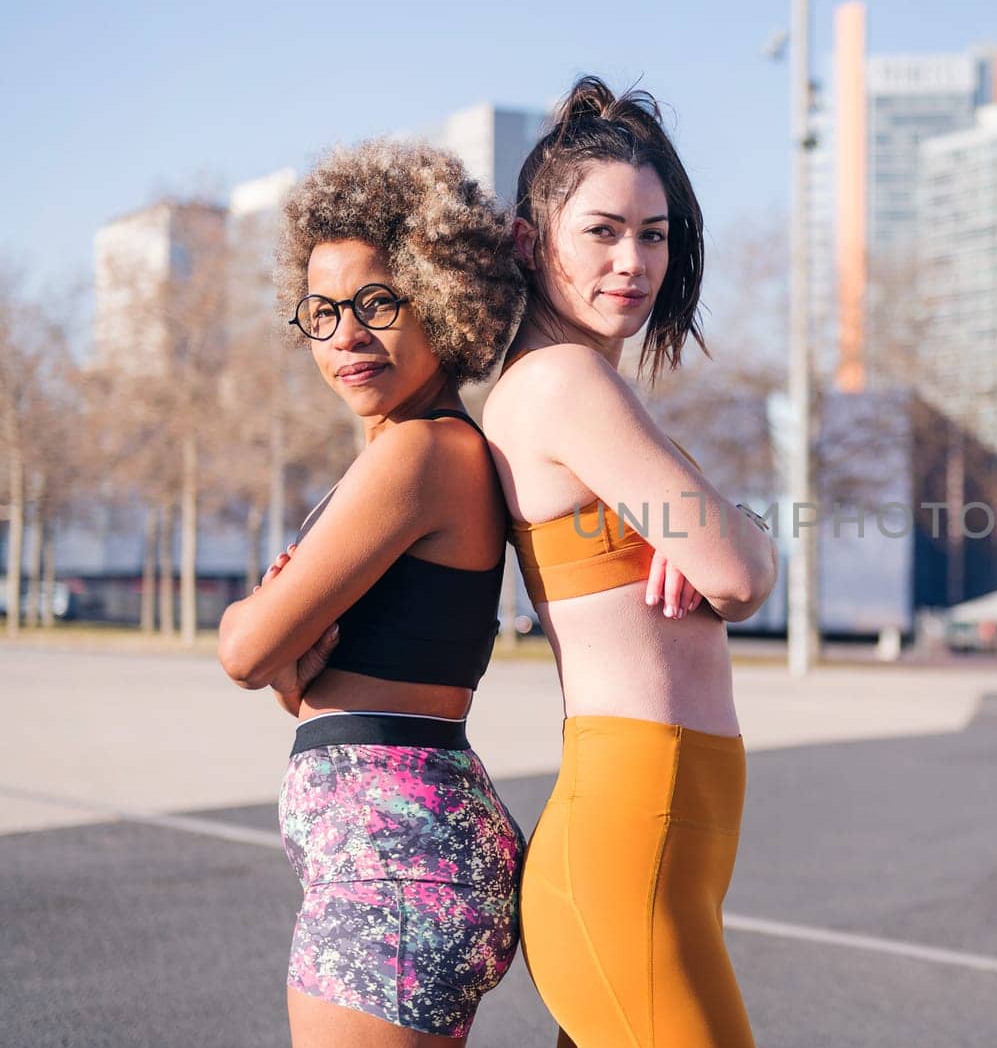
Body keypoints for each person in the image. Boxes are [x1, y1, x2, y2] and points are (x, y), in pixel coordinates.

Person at [482, 77, 778, 1047]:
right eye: (603, 231)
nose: (634, 260)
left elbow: (728, 557)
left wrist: (713, 540)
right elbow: (741, 572)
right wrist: (721, 541)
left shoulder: (589, 384)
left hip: (658, 847)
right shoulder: (564, 382)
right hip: (627, 850)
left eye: (654, 234)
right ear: (532, 243)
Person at [217, 140, 527, 1047]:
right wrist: (284, 662)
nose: (346, 336)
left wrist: (254, 625)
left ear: (444, 302)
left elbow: (246, 653)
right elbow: (295, 684)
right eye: (320, 312)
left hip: (394, 875)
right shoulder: (413, 452)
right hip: (397, 857)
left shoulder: (420, 453)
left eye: (378, 304)